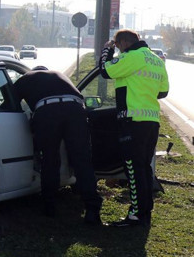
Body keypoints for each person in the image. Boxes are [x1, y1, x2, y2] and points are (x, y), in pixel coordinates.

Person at [13, 65, 103, 224]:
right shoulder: (59, 74)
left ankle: (50, 206)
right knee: (82, 160)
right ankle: (92, 209)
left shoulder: (25, 79)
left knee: (49, 159)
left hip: (47, 113)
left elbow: (9, 102)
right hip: (74, 109)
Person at [99, 29, 169, 227]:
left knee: (133, 169)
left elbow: (105, 70)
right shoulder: (156, 59)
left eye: (118, 46)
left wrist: (106, 51)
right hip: (151, 121)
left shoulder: (132, 56)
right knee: (144, 168)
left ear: (123, 43)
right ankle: (145, 211)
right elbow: (163, 92)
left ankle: (136, 214)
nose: (119, 51)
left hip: (132, 121)